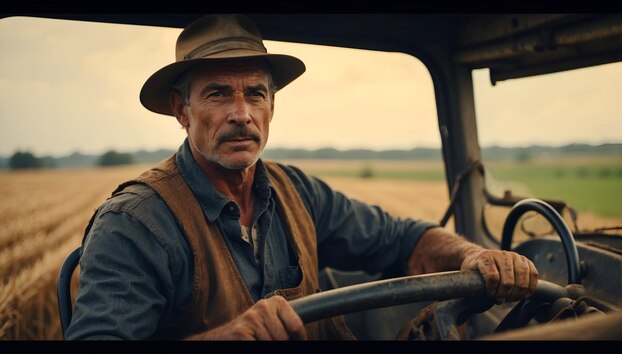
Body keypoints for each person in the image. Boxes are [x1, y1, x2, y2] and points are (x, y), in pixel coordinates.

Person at [65, 14, 538, 340]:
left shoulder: (296, 193)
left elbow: (403, 241)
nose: (241, 114)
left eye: (255, 93)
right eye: (217, 95)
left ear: (272, 106)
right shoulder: (135, 224)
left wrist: (475, 254)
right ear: (181, 111)